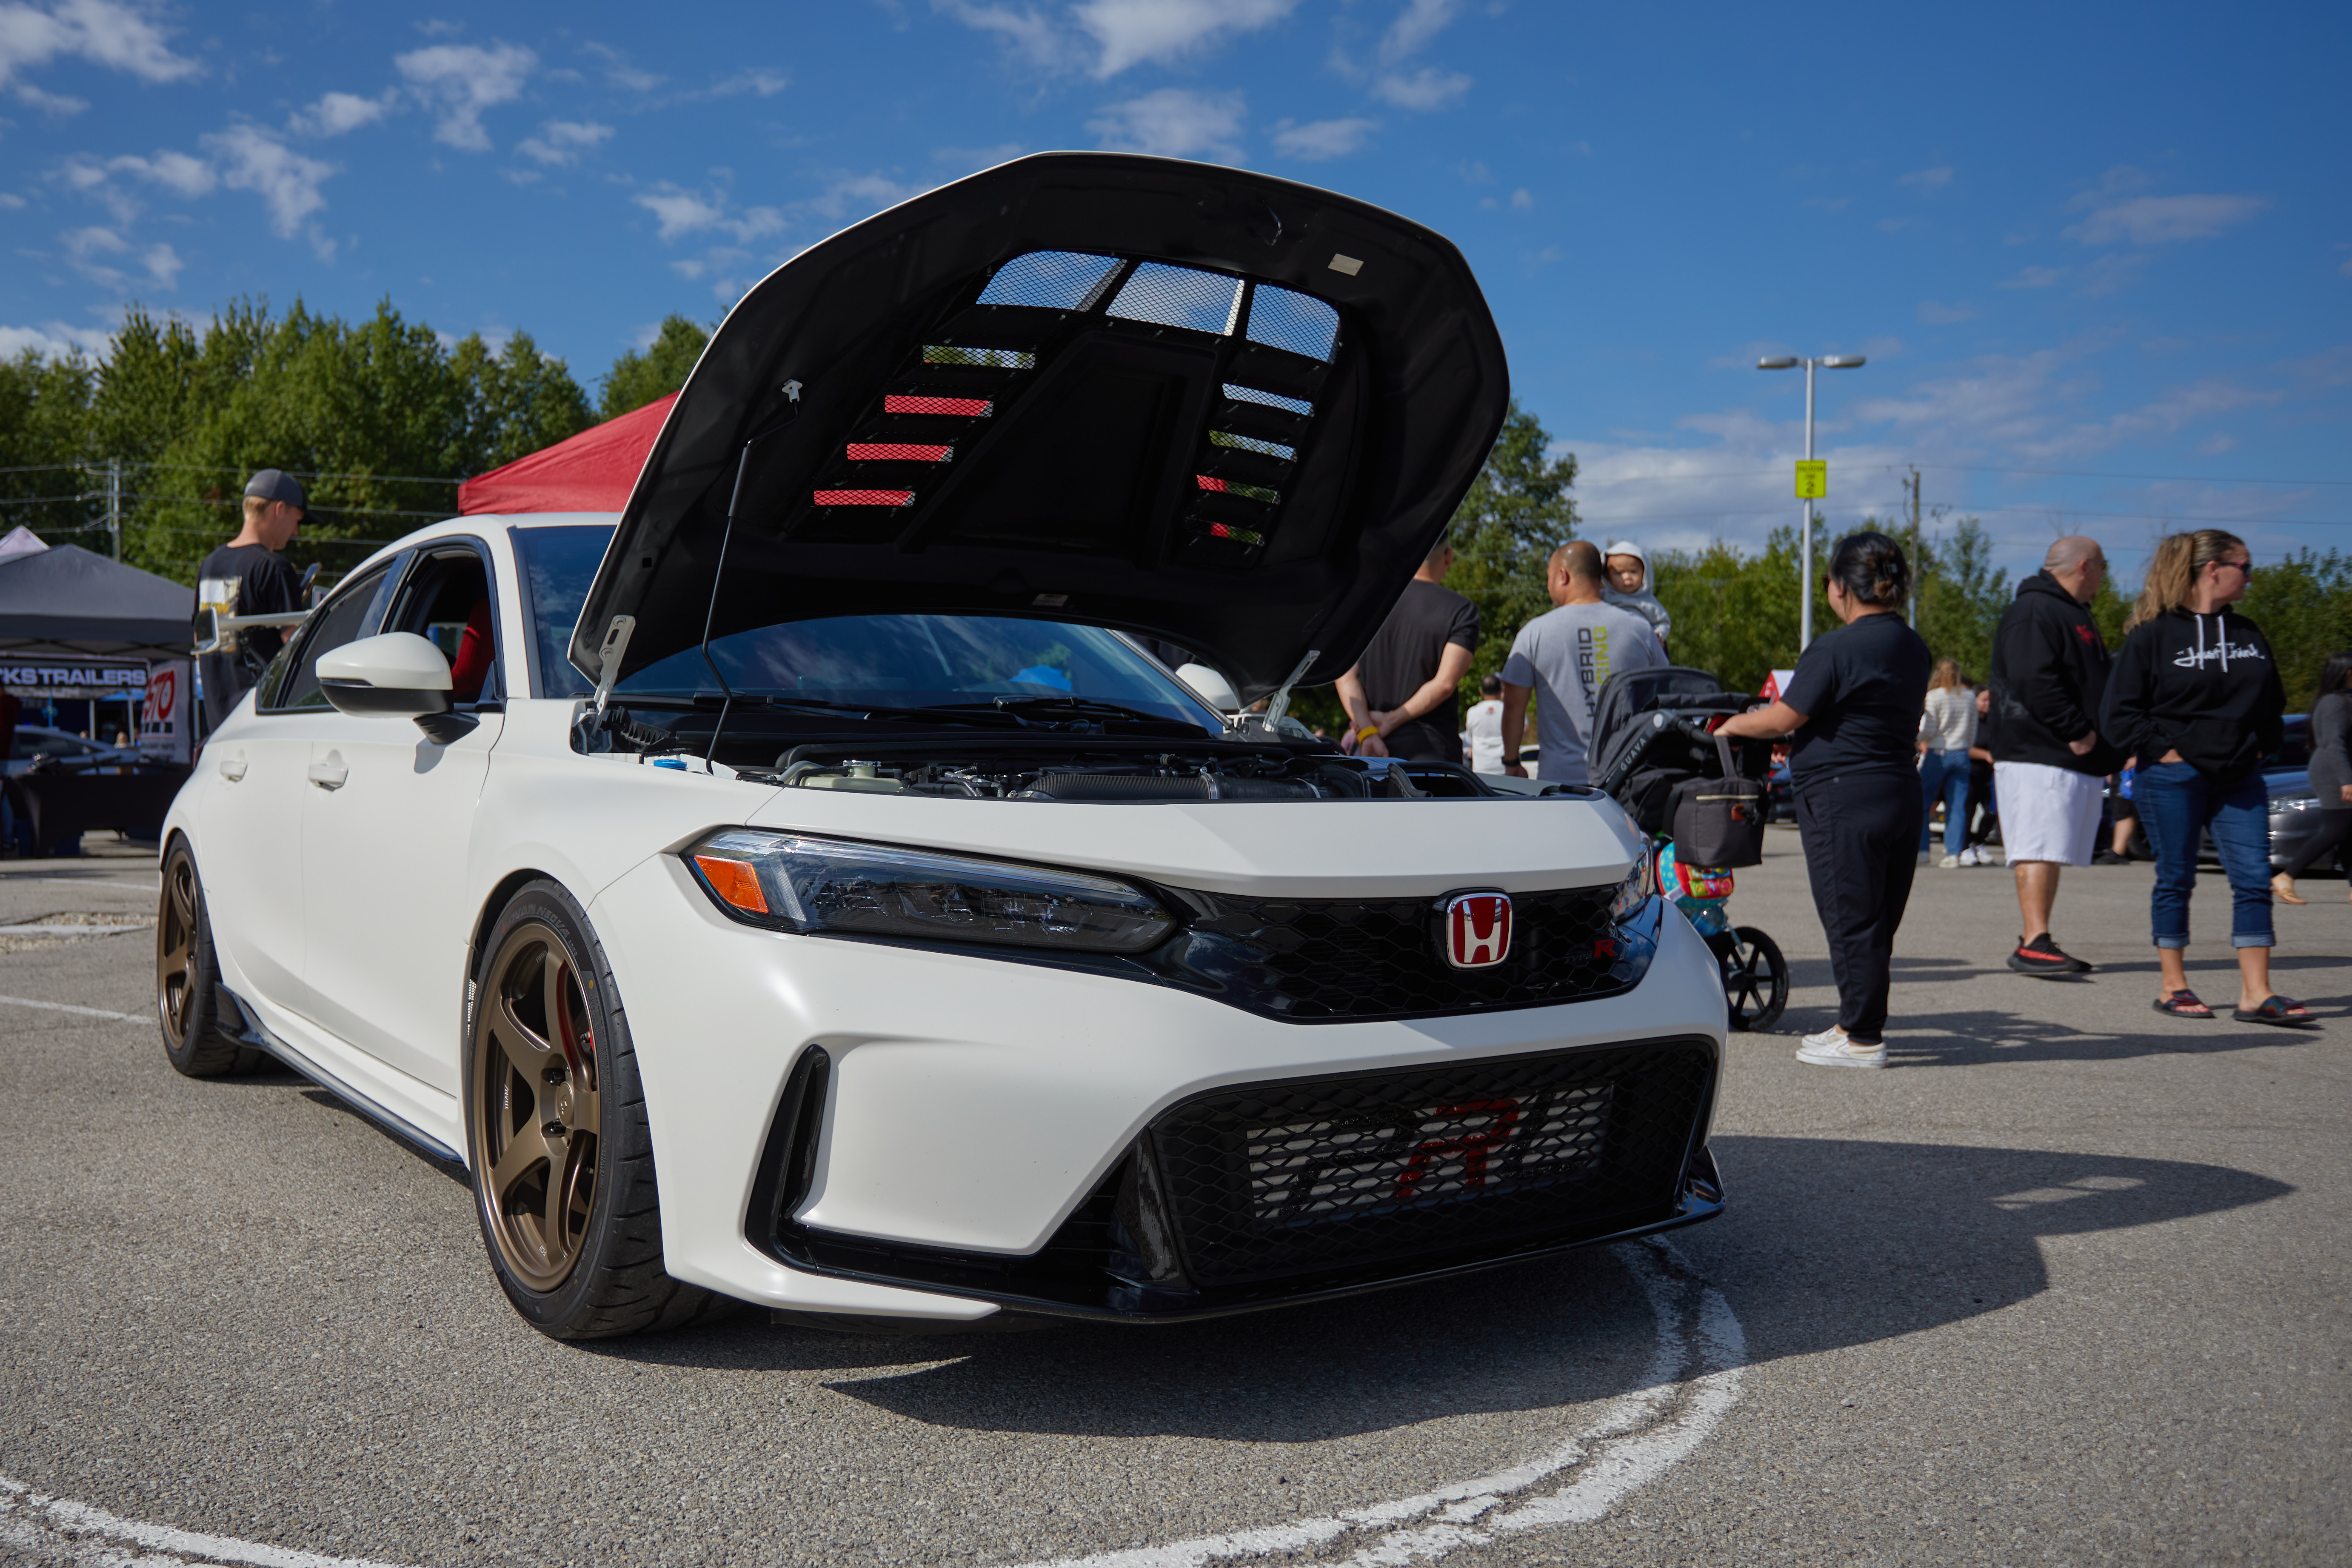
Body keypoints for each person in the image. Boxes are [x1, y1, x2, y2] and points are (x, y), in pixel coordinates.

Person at [1719, 532, 1932, 1068]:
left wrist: (1731, 726)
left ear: (1839, 587)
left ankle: (1862, 1038)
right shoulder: (1912, 645)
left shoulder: (1836, 647)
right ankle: (1852, 1022)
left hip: (1843, 796)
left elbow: (1783, 718)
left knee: (1849, 917)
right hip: (1899, 789)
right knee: (1877, 919)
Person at [2101, 529, 2303, 1024]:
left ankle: (2255, 993)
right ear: (2213, 569)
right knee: (2176, 877)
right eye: (2244, 566)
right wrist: (2165, 752)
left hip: (2240, 778)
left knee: (2254, 879)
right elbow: (2117, 712)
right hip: (2173, 776)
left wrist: (2263, 744)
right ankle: (2174, 986)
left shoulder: (2249, 633)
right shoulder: (2152, 634)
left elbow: (2271, 703)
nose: (2250, 577)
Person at [1987, 535, 2117, 977]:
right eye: (2103, 565)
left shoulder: (2068, 611)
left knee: (2050, 847)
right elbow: (2032, 677)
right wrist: (2075, 730)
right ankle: (2032, 941)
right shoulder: (2033, 611)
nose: (2105, 574)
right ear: (2083, 566)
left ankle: (2038, 937)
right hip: (2036, 750)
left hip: (2058, 752)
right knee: (2036, 846)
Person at [1499, 541, 1665, 784]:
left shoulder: (1535, 632)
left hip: (1560, 782)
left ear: (1562, 576)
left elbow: (1514, 704)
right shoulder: (1640, 630)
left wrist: (1512, 762)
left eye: (1549, 577)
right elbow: (1666, 693)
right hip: (1627, 778)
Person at [1336, 535, 1480, 763]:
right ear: (1449, 557)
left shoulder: (1364, 605)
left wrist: (1368, 731)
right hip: (1431, 753)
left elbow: (1344, 676)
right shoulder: (1462, 611)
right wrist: (1391, 720)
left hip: (1370, 752)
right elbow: (1444, 684)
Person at [196, 469, 307, 730]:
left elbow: (200, 641)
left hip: (217, 721)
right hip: (262, 721)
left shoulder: (209, 566)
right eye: (297, 519)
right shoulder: (274, 568)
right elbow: (296, 647)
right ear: (279, 509)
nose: (297, 532)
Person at [2271, 651, 2352, 906]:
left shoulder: (2345, 700)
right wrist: (2346, 780)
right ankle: (2285, 877)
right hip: (2332, 772)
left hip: (2340, 770)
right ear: (2348, 674)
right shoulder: (2333, 702)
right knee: (2337, 829)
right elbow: (2333, 744)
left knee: (2348, 831)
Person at [1917, 659, 1976, 867]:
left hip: (1938, 752)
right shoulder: (1969, 697)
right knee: (1957, 805)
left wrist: (1918, 740)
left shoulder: (1934, 696)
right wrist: (1965, 747)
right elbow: (1972, 729)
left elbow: (1930, 727)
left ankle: (1923, 851)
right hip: (1960, 752)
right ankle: (1953, 854)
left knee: (1923, 803)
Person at [1601, 539, 1673, 650]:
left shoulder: (1648, 601)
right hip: (1611, 646)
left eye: (1633, 572)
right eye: (1619, 573)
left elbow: (1663, 622)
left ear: (1644, 573)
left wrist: (1659, 635)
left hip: (1641, 646)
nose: (1627, 577)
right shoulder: (1604, 597)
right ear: (1608, 578)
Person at [1961, 684, 1998, 864]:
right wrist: (1986, 755)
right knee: (1968, 810)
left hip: (1990, 774)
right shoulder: (1968, 721)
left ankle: (1978, 842)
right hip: (1971, 771)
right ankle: (1965, 847)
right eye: (1984, 700)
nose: (1987, 704)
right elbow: (1963, 747)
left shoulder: (1994, 722)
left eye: (1989, 700)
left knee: (1993, 810)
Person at [1464, 673, 1507, 773]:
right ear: (1501, 691)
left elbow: (1470, 738)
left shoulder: (1472, 712)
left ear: (1481, 692)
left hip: (1481, 769)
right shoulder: (1508, 710)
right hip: (1503, 768)